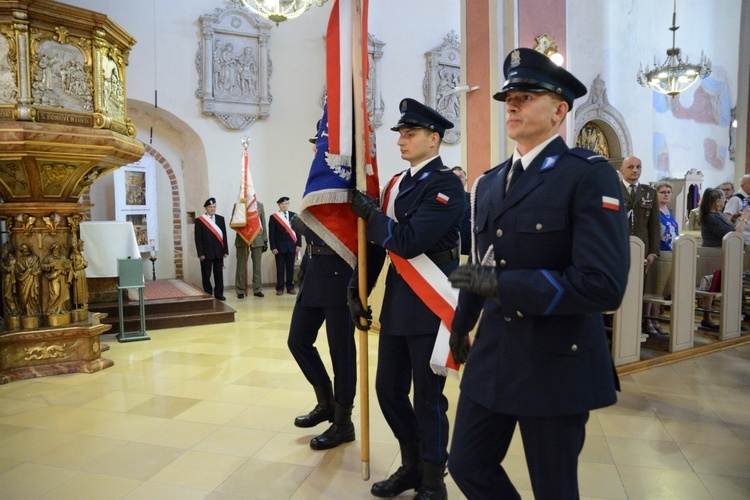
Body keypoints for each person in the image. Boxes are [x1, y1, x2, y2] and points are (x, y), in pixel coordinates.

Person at [445, 48, 629, 500]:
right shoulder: (488, 183)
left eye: (526, 96)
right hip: (494, 355)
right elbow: (484, 262)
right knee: (467, 465)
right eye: (509, 96)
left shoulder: (588, 177)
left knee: (554, 487)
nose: (512, 103)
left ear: (559, 109)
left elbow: (602, 284)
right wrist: (461, 323)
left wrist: (500, 288)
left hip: (555, 359)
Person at [350, 97, 465, 499]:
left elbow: (409, 241)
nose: (401, 139)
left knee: (428, 398)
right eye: (399, 133)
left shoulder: (447, 184)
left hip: (433, 301)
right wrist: (357, 287)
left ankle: (434, 480)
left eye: (410, 133)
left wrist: (372, 216)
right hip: (400, 301)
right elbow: (381, 247)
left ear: (433, 140)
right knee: (388, 390)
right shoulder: (397, 184)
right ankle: (412, 466)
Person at [287, 215, 357, 450]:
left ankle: (343, 422)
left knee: (342, 353)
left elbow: (340, 233)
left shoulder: (348, 190)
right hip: (314, 272)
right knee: (297, 341)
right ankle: (326, 402)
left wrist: (307, 227)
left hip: (340, 275)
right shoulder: (320, 191)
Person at [698, 187, 750, 329]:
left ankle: (725, 319)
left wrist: (734, 218)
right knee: (711, 287)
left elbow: (729, 226)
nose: (725, 200)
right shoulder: (710, 217)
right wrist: (745, 216)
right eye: (723, 198)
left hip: (721, 254)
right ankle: (708, 318)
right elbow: (735, 234)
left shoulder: (717, 214)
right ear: (717, 201)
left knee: (720, 287)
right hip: (715, 254)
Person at [620, 156, 660, 336]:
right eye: (630, 167)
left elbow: (654, 225)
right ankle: (615, 329)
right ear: (622, 170)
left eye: (638, 167)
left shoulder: (649, 193)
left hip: (641, 251)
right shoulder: (612, 190)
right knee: (619, 289)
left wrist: (653, 251)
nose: (635, 170)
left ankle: (634, 328)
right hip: (618, 248)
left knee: (638, 289)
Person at [644, 181, 679, 336]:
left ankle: (656, 319)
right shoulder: (653, 210)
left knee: (661, 290)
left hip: (669, 253)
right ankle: (647, 320)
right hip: (657, 252)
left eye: (668, 192)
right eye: (663, 192)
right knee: (652, 290)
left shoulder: (668, 211)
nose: (666, 195)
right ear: (655, 194)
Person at [195, 197, 229, 300]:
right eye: (210, 207)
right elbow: (197, 238)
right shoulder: (200, 220)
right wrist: (200, 253)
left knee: (218, 274)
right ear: (206, 208)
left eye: (214, 206)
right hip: (206, 253)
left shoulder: (220, 219)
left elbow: (224, 235)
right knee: (206, 274)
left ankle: (219, 294)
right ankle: (208, 293)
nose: (213, 209)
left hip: (218, 252)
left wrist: (225, 250)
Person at [234, 201, 268, 298]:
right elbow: (234, 222)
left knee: (257, 266)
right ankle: (240, 290)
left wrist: (265, 240)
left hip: (257, 239)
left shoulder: (259, 205)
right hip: (242, 240)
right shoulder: (238, 206)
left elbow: (263, 223)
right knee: (241, 266)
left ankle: (257, 289)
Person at [268, 196, 300, 295]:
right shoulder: (274, 217)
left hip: (291, 246)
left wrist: (298, 244)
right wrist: (273, 247)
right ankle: (280, 288)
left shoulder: (294, 215)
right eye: (282, 204)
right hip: (279, 247)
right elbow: (271, 234)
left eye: (286, 203)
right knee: (280, 268)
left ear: (288, 204)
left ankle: (290, 287)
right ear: (279, 205)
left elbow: (298, 230)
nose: (284, 205)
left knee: (290, 268)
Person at [42, 242, 71, 315]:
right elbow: (42, 266)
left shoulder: (62, 257)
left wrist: (67, 268)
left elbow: (68, 267)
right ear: (52, 250)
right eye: (55, 249)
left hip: (62, 277)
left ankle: (61, 308)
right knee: (56, 293)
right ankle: (51, 309)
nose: (56, 251)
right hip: (54, 277)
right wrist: (50, 265)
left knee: (63, 293)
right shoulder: (49, 258)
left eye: (58, 249)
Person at [723, 174, 750, 244]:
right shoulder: (735, 199)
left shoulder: (748, 198)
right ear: (742, 186)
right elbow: (726, 219)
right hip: (742, 237)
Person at [16, 243, 41, 317]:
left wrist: (34, 272)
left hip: (33, 280)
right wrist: (22, 273)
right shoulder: (19, 260)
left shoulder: (34, 258)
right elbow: (17, 271)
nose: (25, 250)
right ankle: (25, 311)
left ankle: (35, 312)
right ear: (21, 251)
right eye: (24, 249)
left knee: (33, 296)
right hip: (23, 282)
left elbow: (39, 269)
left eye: (26, 248)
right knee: (24, 297)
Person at [452, 166, 472, 256]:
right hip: (450, 250)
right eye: (454, 177)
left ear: (465, 180)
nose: (458, 179)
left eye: (460, 177)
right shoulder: (442, 201)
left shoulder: (474, 199)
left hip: (468, 250)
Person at [1, 242, 20, 316]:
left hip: (10, 279)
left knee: (7, 295)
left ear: (8, 250)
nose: (3, 250)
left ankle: (14, 310)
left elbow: (10, 269)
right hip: (6, 278)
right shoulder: (6, 259)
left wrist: (2, 265)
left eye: (4, 249)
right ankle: (11, 310)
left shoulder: (12, 258)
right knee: (6, 295)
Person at [70, 238, 88, 310]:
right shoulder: (73, 255)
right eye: (81, 245)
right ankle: (79, 303)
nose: (82, 247)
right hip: (77, 273)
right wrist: (73, 273)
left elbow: (84, 262)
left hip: (82, 273)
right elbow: (70, 265)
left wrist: (85, 264)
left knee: (83, 288)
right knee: (78, 288)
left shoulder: (80, 254)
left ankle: (83, 302)